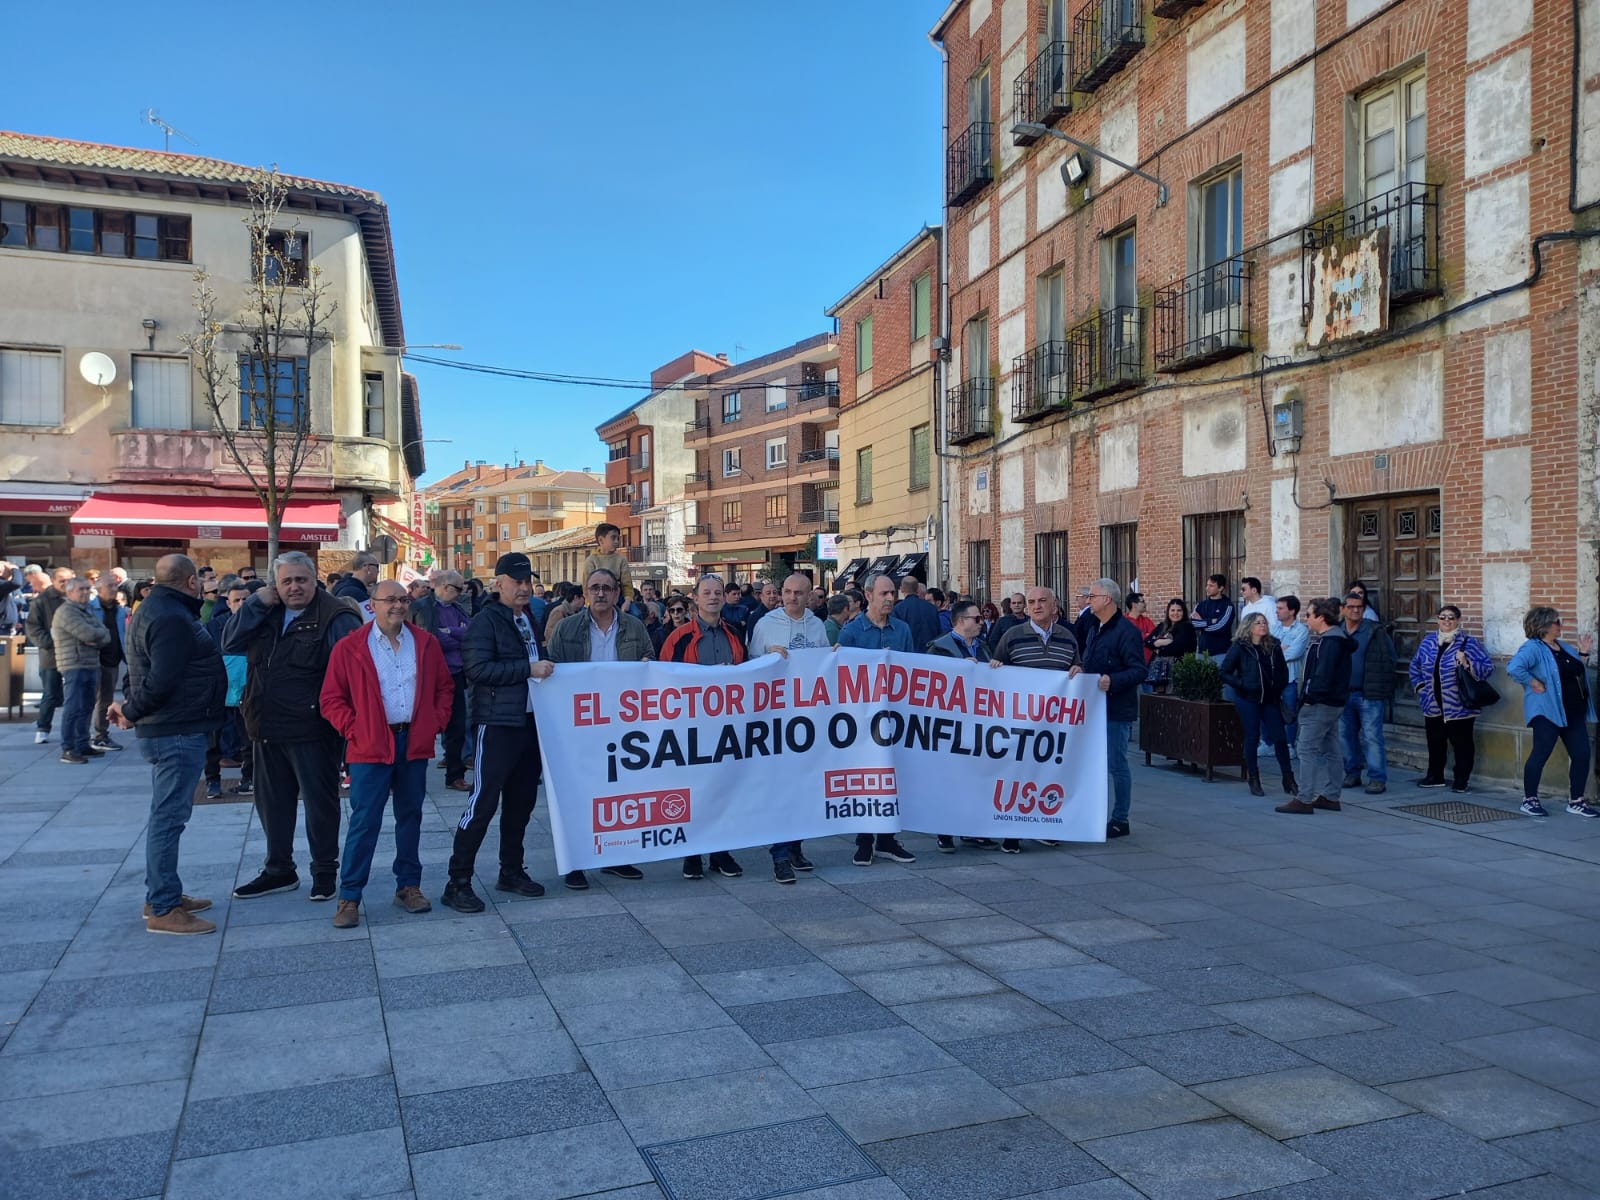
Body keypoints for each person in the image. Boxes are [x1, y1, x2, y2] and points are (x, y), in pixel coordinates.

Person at [225, 551, 363, 901]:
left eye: (301, 579)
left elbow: (350, 672)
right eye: (286, 580)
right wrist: (256, 602)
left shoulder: (335, 615)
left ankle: (324, 872)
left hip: (313, 729)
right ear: (276, 584)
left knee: (320, 804)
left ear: (314, 579)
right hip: (266, 726)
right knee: (273, 805)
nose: (294, 587)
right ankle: (279, 870)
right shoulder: (266, 611)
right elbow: (230, 642)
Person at [320, 580, 455, 928]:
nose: (397, 605)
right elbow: (331, 699)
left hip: (412, 741)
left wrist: (434, 723)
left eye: (402, 599)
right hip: (369, 745)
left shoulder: (425, 643)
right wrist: (355, 729)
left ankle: (408, 886)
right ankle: (349, 896)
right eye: (389, 600)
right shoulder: (352, 647)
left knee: (410, 816)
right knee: (365, 821)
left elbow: (444, 687)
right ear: (373, 604)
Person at [108, 554, 227, 934]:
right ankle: (162, 907)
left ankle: (163, 894)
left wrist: (132, 708)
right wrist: (131, 710)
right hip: (175, 729)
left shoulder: (153, 609)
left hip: (172, 726)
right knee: (168, 819)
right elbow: (161, 679)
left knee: (167, 817)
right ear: (192, 581)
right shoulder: (172, 617)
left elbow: (138, 668)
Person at [444, 553, 557, 912]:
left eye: (527, 581)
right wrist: (527, 668)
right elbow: (477, 669)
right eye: (516, 581)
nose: (524, 587)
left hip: (527, 723)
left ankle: (511, 870)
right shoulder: (485, 621)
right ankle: (457, 881)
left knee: (521, 803)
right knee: (483, 803)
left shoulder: (528, 619)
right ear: (499, 584)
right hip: (495, 724)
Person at [547, 566, 654, 888]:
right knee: (579, 793)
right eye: (594, 588)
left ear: (617, 593)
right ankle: (576, 861)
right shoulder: (566, 629)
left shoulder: (634, 627)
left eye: (607, 588)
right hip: (579, 725)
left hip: (623, 726)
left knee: (619, 793)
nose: (601, 593)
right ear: (585, 592)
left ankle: (616, 856)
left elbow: (649, 660)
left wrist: (648, 667)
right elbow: (552, 674)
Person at [659, 575, 749, 879]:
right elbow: (664, 681)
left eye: (718, 593)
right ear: (694, 599)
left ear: (724, 598)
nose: (713, 597)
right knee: (692, 791)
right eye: (706, 593)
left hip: (727, 727)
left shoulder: (735, 634)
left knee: (724, 788)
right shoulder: (678, 637)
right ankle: (691, 854)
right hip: (690, 728)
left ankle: (721, 853)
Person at [746, 574, 831, 883]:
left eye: (799, 593)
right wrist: (768, 659)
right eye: (788, 592)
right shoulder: (766, 624)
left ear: (809, 596)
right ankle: (779, 856)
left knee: (805, 786)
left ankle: (795, 847)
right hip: (778, 718)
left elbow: (825, 666)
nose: (793, 597)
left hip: (809, 719)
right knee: (782, 787)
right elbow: (751, 664)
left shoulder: (817, 625)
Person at [989, 586, 1080, 849]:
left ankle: (1044, 826)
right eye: (1031, 602)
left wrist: (1079, 669)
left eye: (1042, 601)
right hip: (1019, 725)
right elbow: (996, 671)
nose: (1036, 606)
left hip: (1053, 726)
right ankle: (1012, 834)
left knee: (1048, 775)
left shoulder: (1068, 637)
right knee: (1017, 777)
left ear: (1055, 606)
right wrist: (995, 668)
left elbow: (1077, 666)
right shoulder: (1012, 636)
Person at [1072, 580, 1148, 838]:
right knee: (1093, 764)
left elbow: (1139, 669)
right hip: (1093, 707)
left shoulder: (1126, 631)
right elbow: (1091, 659)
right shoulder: (1095, 627)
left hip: (1116, 707)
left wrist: (1113, 681)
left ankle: (1120, 818)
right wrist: (1081, 669)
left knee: (1117, 763)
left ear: (1107, 599)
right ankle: (1092, 812)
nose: (1087, 600)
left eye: (1092, 596)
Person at [1507, 607, 1596, 818]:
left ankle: (1576, 801)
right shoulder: (1532, 648)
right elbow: (1514, 668)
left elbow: (1573, 672)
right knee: (1541, 752)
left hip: (1573, 711)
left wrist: (1582, 654)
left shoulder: (1564, 647)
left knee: (1582, 754)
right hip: (1547, 711)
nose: (1560, 625)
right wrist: (1533, 682)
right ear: (1544, 625)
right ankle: (1529, 800)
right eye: (1557, 622)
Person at [1409, 605, 1496, 794]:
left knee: (1462, 744)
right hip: (1432, 702)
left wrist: (1466, 662)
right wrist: (1421, 687)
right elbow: (1415, 665)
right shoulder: (1428, 641)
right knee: (1435, 741)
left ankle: (1461, 779)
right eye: (1443, 617)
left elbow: (1488, 667)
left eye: (1451, 618)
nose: (1446, 621)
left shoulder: (1468, 642)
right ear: (1437, 620)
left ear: (1458, 620)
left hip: (1459, 705)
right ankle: (1435, 776)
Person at [1277, 598, 1352, 814]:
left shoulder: (1330, 642)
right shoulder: (1334, 639)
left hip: (1320, 703)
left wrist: (1309, 698)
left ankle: (1305, 798)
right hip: (1332, 702)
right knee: (1331, 747)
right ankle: (1331, 795)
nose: (1306, 619)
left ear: (1321, 617)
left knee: (1306, 748)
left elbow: (1323, 675)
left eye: (1309, 615)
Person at [1220, 613, 1295, 799]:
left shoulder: (1273, 645)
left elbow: (1283, 671)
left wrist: (1278, 687)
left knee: (1279, 737)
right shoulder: (1240, 646)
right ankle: (1254, 778)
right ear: (1249, 626)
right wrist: (1242, 684)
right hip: (1248, 698)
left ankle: (1288, 777)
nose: (1262, 625)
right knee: (1252, 736)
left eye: (1264, 622)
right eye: (1258, 622)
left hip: (1270, 699)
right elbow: (1225, 671)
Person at [412, 569, 473, 792]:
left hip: (455, 673)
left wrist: (451, 632)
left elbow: (470, 633)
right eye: (458, 588)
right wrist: (456, 635)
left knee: (457, 724)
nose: (461, 593)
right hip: (428, 674)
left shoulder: (458, 608)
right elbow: (431, 639)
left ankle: (455, 774)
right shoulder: (421, 608)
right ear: (446, 587)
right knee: (421, 724)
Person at [1339, 590, 1396, 795]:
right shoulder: (1337, 631)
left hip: (1368, 694)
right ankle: (1352, 773)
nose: (1355, 611)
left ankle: (1377, 778)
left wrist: (1382, 686)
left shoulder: (1375, 630)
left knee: (1372, 737)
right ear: (1343, 609)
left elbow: (1390, 659)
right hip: (1343, 694)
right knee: (1345, 736)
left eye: (1359, 607)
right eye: (1351, 607)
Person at [51, 577, 111, 764]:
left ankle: (82, 744)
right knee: (73, 707)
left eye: (87, 588)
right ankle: (68, 748)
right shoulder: (66, 612)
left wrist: (96, 638)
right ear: (69, 593)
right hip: (74, 665)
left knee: (86, 706)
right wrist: (95, 637)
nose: (85, 592)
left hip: (90, 664)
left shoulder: (86, 611)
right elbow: (88, 633)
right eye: (81, 589)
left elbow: (105, 634)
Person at [202, 582, 253, 798]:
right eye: (237, 600)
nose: (241, 604)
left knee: (248, 739)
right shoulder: (214, 626)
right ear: (228, 603)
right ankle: (213, 781)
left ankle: (249, 779)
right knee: (213, 741)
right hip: (219, 692)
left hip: (248, 692)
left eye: (245, 599)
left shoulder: (258, 626)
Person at [26, 565, 71, 744]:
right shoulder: (42, 601)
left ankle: (80, 730)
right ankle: (43, 727)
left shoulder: (78, 596)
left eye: (69, 580)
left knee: (78, 694)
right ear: (52, 581)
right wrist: (50, 643)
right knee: (51, 693)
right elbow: (33, 628)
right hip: (51, 655)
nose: (66, 584)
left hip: (77, 655)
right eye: (62, 581)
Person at [89, 575, 129, 753]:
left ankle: (101, 735)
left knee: (105, 698)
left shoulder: (119, 610)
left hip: (112, 660)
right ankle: (92, 736)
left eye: (115, 585)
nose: (114, 589)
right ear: (98, 589)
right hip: (94, 659)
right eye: (109, 586)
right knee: (90, 700)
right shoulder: (91, 609)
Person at [1274, 595, 1308, 751]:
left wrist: (1276, 652)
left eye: (1280, 608)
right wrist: (1280, 649)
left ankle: (1290, 745)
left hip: (1290, 678)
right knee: (1269, 710)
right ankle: (1269, 743)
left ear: (1292, 611)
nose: (1277, 612)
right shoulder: (1274, 627)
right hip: (1272, 677)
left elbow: (1294, 653)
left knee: (1290, 711)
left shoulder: (1302, 630)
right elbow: (1264, 649)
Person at [581, 523, 633, 603]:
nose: (616, 541)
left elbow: (627, 584)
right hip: (597, 599)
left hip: (619, 599)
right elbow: (586, 586)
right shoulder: (591, 560)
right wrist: (589, 603)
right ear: (601, 540)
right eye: (613, 538)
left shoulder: (621, 559)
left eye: (618, 539)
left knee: (636, 613)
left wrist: (627, 601)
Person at [1191, 574, 1235, 658]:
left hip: (1221, 653)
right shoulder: (1201, 605)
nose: (1207, 588)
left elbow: (1220, 627)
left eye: (1211, 586)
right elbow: (1192, 623)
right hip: (1202, 652)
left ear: (1221, 588)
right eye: (1207, 585)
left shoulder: (1228, 606)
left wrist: (1201, 623)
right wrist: (1211, 621)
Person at [893, 576, 941, 652]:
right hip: (930, 654)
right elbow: (939, 633)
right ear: (917, 589)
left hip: (909, 655)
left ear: (902, 589)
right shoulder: (932, 608)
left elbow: (896, 636)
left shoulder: (898, 609)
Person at [1125, 593, 1155, 663]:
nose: (1145, 604)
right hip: (1129, 663)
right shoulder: (1123, 621)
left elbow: (1154, 637)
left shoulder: (1147, 621)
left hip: (1148, 663)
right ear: (1134, 605)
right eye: (1143, 602)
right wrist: (1146, 636)